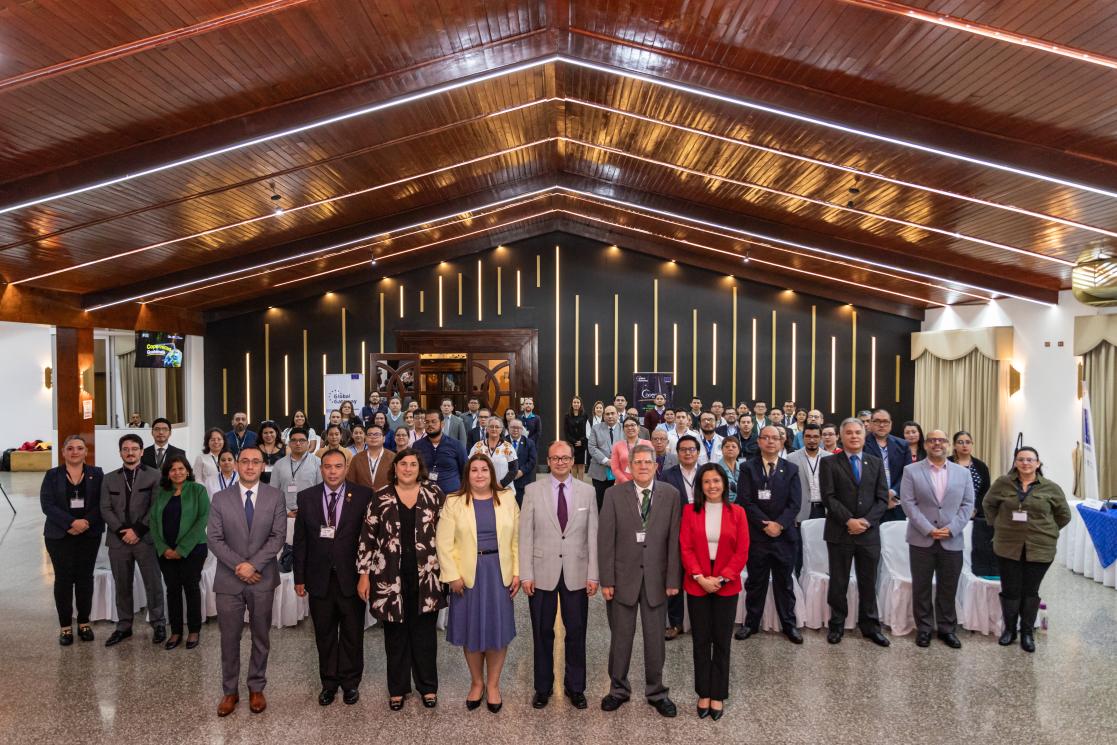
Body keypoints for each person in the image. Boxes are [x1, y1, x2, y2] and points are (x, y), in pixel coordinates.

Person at [358, 448, 446, 710]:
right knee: (395, 634)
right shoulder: (381, 497)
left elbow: (448, 534)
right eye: (403, 464)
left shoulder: (434, 495)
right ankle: (397, 688)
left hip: (427, 575)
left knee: (425, 634)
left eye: (412, 464)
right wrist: (364, 575)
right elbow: (367, 538)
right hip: (388, 576)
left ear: (420, 468)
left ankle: (427, 687)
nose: (407, 469)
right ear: (394, 468)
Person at [599, 444, 681, 718]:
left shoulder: (671, 495)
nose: (643, 466)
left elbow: (673, 542)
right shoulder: (613, 495)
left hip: (657, 580)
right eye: (638, 462)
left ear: (656, 466)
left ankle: (656, 692)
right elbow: (605, 540)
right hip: (623, 579)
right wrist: (607, 580)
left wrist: (672, 578)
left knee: (655, 639)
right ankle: (618, 690)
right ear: (629, 466)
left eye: (648, 462)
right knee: (620, 639)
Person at [437, 454, 520, 713]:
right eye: (474, 470)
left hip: (499, 572)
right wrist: (452, 575)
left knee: (497, 630)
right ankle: (476, 683)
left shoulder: (506, 498)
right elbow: (443, 542)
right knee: (471, 631)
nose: (480, 474)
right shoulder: (454, 501)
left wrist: (517, 572)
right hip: (466, 576)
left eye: (485, 470)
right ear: (467, 474)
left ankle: (493, 685)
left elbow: (517, 539)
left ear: (492, 474)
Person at [209, 446, 287, 717]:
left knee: (261, 636)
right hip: (228, 581)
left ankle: (256, 686)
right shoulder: (220, 498)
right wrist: (239, 566)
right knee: (229, 638)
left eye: (256, 462)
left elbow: (278, 536)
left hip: (262, 578)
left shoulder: (275, 497)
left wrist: (253, 565)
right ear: (235, 465)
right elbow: (214, 539)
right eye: (245, 462)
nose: (250, 467)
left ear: (264, 465)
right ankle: (229, 692)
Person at [519, 441, 598, 710]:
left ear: (573, 459)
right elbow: (525, 536)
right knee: (542, 632)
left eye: (565, 458)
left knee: (576, 631)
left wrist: (594, 575)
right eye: (555, 458)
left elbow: (593, 536)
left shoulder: (588, 492)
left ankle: (575, 687)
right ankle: (542, 687)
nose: (561, 462)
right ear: (548, 461)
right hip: (541, 574)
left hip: (577, 573)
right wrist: (525, 574)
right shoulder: (531, 491)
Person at [293, 450, 373, 706]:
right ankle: (329, 683)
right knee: (324, 635)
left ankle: (350, 683)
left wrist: (366, 574)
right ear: (321, 468)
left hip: (352, 578)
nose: (332, 471)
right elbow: (300, 541)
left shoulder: (363, 496)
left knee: (352, 634)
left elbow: (368, 539)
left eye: (338, 466)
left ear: (346, 467)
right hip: (319, 579)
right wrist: (299, 577)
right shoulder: (307, 498)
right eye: (327, 466)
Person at [984, 447, 1071, 653]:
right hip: (1007, 545)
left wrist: (1046, 531)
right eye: (1021, 459)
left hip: (1040, 547)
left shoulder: (1051, 488)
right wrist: (999, 524)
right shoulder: (1002, 484)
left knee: (1030, 591)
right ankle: (1010, 630)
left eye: (1030, 460)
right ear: (1015, 463)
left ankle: (1027, 633)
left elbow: (1064, 515)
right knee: (1011, 589)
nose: (1025, 463)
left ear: (1038, 464)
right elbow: (988, 504)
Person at [680, 463, 749, 720]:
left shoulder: (738, 512)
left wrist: (721, 578)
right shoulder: (689, 511)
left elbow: (742, 550)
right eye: (707, 481)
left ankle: (718, 693)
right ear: (700, 485)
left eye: (716, 481)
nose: (712, 486)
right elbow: (685, 547)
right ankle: (703, 692)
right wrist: (699, 577)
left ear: (725, 483)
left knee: (721, 640)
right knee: (700, 640)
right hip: (697, 581)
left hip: (725, 583)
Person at [899, 430, 974, 649]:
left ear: (948, 445)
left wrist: (951, 529)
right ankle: (924, 629)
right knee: (921, 586)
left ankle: (947, 629)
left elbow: (968, 504)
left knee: (948, 587)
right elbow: (908, 503)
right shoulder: (911, 470)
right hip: (921, 539)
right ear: (926, 445)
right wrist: (928, 529)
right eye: (932, 440)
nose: (937, 444)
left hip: (952, 539)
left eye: (941, 440)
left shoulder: (963, 473)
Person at [819, 418, 890, 647]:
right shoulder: (829, 463)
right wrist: (849, 520)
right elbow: (828, 497)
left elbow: (882, 499)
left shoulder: (875, 462)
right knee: (838, 582)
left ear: (864, 434)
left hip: (868, 534)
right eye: (848, 432)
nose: (854, 436)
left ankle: (870, 626)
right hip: (840, 532)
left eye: (858, 432)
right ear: (841, 436)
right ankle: (837, 624)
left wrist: (866, 522)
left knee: (868, 581)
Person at [736, 426, 802, 644]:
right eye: (766, 438)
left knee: (785, 582)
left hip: (784, 537)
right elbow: (745, 501)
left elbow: (795, 504)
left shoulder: (791, 468)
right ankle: (751, 624)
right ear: (759, 441)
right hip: (758, 536)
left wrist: (779, 525)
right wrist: (766, 525)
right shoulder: (747, 468)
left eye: (776, 438)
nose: (771, 441)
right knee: (756, 582)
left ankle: (789, 625)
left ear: (782, 442)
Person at [101, 433, 166, 647]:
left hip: (145, 539)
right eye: (125, 449)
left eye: (134, 449)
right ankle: (124, 625)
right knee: (122, 584)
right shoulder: (109, 478)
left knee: (153, 582)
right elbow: (105, 508)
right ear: (120, 452)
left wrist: (137, 531)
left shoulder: (155, 475)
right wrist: (122, 531)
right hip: (118, 541)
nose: (130, 453)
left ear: (141, 451)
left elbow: (156, 506)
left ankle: (158, 623)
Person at [41, 435, 104, 646]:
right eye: (70, 448)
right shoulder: (52, 475)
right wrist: (71, 523)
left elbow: (101, 503)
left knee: (85, 578)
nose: (75, 452)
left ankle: (84, 622)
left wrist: (85, 522)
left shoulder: (97, 473)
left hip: (89, 534)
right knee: (64, 580)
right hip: (59, 535)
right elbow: (47, 505)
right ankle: (65, 627)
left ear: (86, 452)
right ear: (63, 452)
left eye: (79, 448)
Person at [150, 454, 210, 650]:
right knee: (172, 590)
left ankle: (194, 630)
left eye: (181, 469)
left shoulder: (198, 490)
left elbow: (203, 520)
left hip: (193, 550)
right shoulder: (161, 493)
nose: (177, 472)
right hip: (165, 552)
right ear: (167, 473)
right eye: (173, 469)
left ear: (188, 471)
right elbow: (153, 522)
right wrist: (163, 548)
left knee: (191, 588)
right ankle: (175, 631)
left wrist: (181, 549)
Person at [659, 434, 700, 639]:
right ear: (677, 453)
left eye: (691, 449)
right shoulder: (667, 475)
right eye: (683, 449)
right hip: (677, 531)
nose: (687, 453)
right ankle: (675, 623)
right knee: (675, 576)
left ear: (698, 452)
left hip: (702, 532)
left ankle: (699, 622)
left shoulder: (706, 473)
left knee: (700, 576)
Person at [950, 431, 995, 576]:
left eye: (968, 442)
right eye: (960, 442)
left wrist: (974, 509)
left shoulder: (981, 466)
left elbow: (985, 492)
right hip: (950, 513)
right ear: (954, 445)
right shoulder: (947, 463)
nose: (964, 445)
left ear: (972, 444)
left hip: (975, 514)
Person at [866, 408, 908, 522]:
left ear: (891, 424)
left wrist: (893, 492)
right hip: (870, 505)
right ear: (870, 423)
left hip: (896, 502)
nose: (882, 425)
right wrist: (882, 496)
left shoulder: (903, 445)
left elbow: (907, 474)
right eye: (877, 421)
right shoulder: (862, 444)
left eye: (885, 422)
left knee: (895, 537)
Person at [414, 410, 469, 495]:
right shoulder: (417, 446)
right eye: (427, 422)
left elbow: (465, 470)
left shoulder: (456, 445)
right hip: (425, 495)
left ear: (442, 424)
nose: (430, 425)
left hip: (452, 496)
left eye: (434, 422)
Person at [271, 427, 323, 515]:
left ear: (308, 443)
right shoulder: (279, 464)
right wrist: (286, 511)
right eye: (294, 440)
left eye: (302, 440)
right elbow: (273, 492)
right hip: (285, 514)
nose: (298, 443)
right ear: (289, 443)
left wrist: (310, 510)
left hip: (311, 513)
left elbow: (322, 491)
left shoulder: (318, 462)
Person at [789, 424, 830, 523]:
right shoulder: (791, 458)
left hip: (825, 509)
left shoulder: (830, 458)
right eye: (808, 436)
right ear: (802, 438)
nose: (812, 440)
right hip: (801, 509)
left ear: (821, 438)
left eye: (815, 437)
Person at [587, 405, 623, 509]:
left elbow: (627, 446)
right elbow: (592, 447)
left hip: (619, 473)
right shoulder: (596, 428)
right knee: (600, 502)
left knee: (617, 503)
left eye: (613, 413)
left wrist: (616, 461)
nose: (610, 416)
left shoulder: (624, 428)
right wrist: (606, 461)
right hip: (600, 472)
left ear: (617, 415)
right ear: (603, 416)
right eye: (607, 414)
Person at [470, 418, 518, 488]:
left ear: (501, 430)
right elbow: (470, 466)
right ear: (487, 429)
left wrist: (501, 484)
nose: (494, 429)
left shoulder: (508, 447)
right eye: (491, 426)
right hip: (482, 489)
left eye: (497, 427)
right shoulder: (478, 446)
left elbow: (514, 470)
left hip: (503, 489)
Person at [347, 424, 395, 492]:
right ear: (365, 438)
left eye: (377, 434)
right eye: (370, 434)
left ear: (384, 438)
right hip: (362, 500)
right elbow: (350, 482)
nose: (373, 437)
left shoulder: (393, 458)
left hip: (386, 499)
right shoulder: (356, 459)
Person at [610, 416, 652, 485]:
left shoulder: (648, 444)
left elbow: (651, 465)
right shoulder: (617, 446)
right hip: (622, 484)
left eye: (632, 425)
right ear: (623, 430)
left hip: (643, 484)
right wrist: (625, 481)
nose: (630, 428)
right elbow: (615, 467)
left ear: (638, 428)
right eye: (626, 426)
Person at [507, 419, 537, 504]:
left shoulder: (529, 443)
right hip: (506, 482)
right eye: (513, 427)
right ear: (508, 428)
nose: (515, 430)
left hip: (523, 482)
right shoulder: (502, 442)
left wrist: (521, 471)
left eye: (518, 428)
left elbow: (532, 461)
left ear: (522, 429)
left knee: (522, 509)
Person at [194, 428, 226, 495]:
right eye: (212, 440)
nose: (216, 442)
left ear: (224, 441)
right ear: (207, 442)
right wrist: (207, 490)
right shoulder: (201, 458)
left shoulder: (229, 457)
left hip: (227, 494)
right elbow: (197, 479)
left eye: (219, 439)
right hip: (208, 495)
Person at [565, 396, 589, 480]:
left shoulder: (585, 415)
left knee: (581, 466)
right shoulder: (567, 416)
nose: (576, 404)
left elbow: (587, 430)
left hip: (582, 445)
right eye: (574, 402)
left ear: (580, 404)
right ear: (572, 404)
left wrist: (582, 441)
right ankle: (574, 485)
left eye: (578, 402)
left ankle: (581, 485)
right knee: (573, 465)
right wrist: (574, 441)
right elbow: (566, 432)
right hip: (572, 444)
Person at [715, 436, 742, 503]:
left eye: (734, 447)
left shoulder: (743, 468)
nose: (730, 449)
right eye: (727, 446)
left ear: (738, 450)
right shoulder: (716, 469)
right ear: (722, 449)